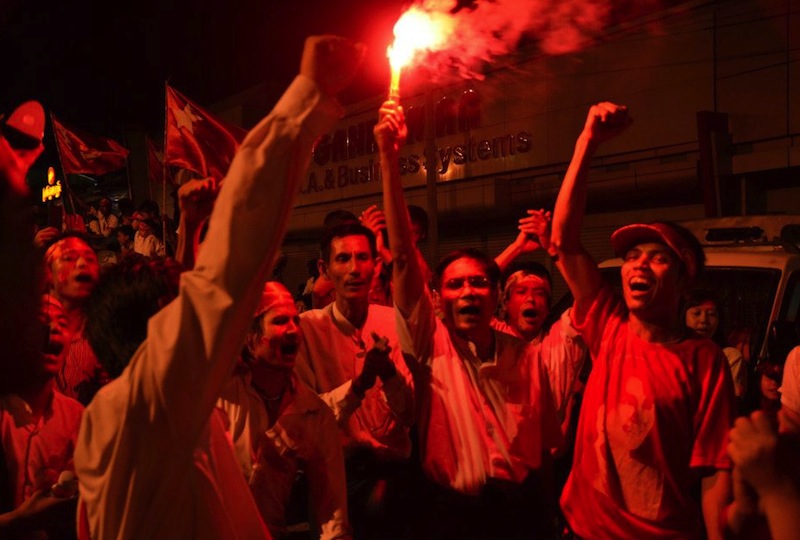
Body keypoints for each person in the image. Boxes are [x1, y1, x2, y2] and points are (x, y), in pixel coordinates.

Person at [73, 35, 365, 540]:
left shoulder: (152, 415)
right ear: (160, 336)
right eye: (180, 310)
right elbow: (231, 266)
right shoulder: (144, 408)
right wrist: (306, 96)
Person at [376, 100, 563, 539]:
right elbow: (403, 260)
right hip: (451, 517)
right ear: (438, 299)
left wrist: (551, 515)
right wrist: (388, 156)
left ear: (497, 295)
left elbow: (547, 449)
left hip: (521, 516)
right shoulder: (428, 346)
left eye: (479, 283)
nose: (469, 292)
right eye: (456, 285)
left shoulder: (525, 355)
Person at [551, 102, 735, 539]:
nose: (638, 266)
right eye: (632, 257)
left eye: (657, 259)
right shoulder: (607, 323)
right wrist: (587, 142)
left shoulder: (703, 360)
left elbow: (714, 468)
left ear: (685, 283)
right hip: (583, 530)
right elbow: (563, 241)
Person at [294, 222, 415, 539]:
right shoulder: (308, 328)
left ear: (376, 265)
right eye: (343, 259)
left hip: (394, 475)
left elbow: (410, 412)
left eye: (363, 258)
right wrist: (359, 385)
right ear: (325, 268)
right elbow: (310, 419)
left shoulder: (394, 322)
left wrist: (388, 374)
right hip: (334, 478)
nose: (354, 269)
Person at [218, 282, 351, 540]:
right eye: (280, 321)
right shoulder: (222, 395)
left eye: (295, 321)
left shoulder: (313, 412)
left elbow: (333, 513)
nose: (293, 330)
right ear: (250, 336)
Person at [0, 295, 84, 539]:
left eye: (62, 323)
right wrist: (19, 520)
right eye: (41, 321)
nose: (53, 330)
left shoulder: (77, 416)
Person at [42, 233, 105, 405]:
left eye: (90, 259)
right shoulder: (22, 325)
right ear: (47, 272)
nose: (82, 264)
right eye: (69, 258)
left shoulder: (104, 331)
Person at [684, 288, 747, 400]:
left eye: (711, 314)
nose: (704, 320)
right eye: (696, 313)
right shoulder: (672, 353)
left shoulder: (728, 356)